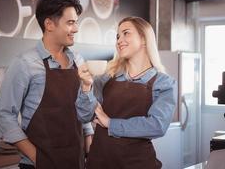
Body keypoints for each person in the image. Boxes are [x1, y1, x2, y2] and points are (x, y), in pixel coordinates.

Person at [0, 0, 94, 169]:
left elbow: (83, 111)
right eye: (70, 22)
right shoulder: (24, 63)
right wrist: (37, 158)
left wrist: (89, 146)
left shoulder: (78, 60)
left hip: (76, 162)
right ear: (49, 24)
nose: (76, 28)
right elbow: (4, 115)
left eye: (76, 22)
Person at [76, 16, 177, 169]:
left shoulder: (163, 83)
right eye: (117, 36)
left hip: (137, 164)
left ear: (143, 38)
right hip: (99, 162)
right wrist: (86, 86)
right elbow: (84, 115)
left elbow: (157, 125)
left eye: (126, 33)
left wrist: (110, 123)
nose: (119, 40)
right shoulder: (106, 77)